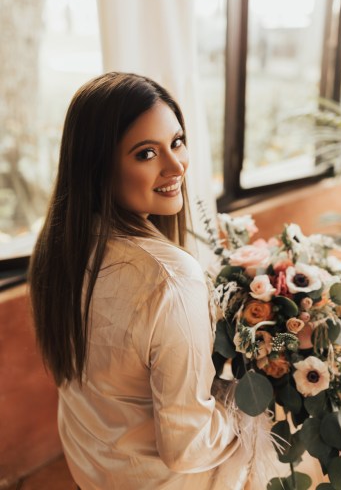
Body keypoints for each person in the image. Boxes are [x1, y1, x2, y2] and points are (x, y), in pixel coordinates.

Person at [29, 72, 250, 490]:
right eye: (146, 153)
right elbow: (188, 446)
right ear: (99, 167)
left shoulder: (60, 247)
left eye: (177, 142)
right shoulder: (170, 279)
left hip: (91, 468)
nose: (175, 166)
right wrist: (261, 400)